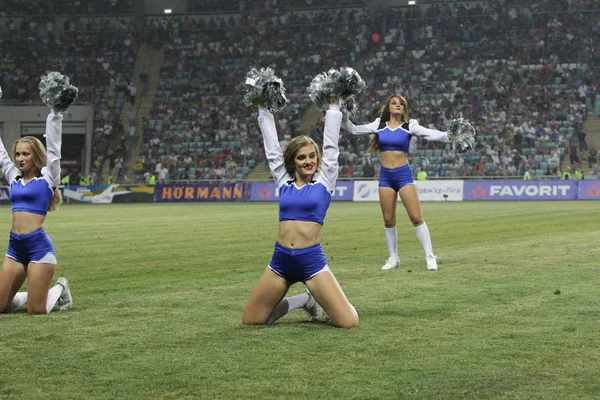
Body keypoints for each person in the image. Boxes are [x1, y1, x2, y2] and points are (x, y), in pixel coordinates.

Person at [242, 100, 359, 328]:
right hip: (281, 261)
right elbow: (273, 152)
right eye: (301, 157)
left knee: (348, 322)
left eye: (312, 156)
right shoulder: (284, 182)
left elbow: (332, 148)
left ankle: (312, 297)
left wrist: (334, 109)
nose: (308, 161)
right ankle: (304, 300)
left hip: (311, 261)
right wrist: (263, 110)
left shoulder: (325, 182)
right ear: (293, 162)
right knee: (252, 321)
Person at [342, 94, 453, 271]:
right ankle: (394, 258)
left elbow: (430, 134)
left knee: (416, 217)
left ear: (404, 108)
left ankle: (430, 256)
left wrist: (449, 135)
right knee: (388, 220)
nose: (397, 105)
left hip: (403, 175)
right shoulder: (378, 125)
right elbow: (354, 129)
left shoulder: (410, 126)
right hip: (385, 176)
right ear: (388, 107)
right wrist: (343, 114)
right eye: (394, 103)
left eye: (401, 104)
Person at [0, 110, 72, 314]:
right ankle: (28, 296)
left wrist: (55, 114)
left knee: (37, 310)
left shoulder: (48, 178)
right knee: (0, 307)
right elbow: (1, 154)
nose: (20, 158)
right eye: (18, 154)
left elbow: (55, 151)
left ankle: (60, 287)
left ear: (36, 156)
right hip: (14, 249)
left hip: (39, 249)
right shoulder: (14, 178)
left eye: (26, 154)